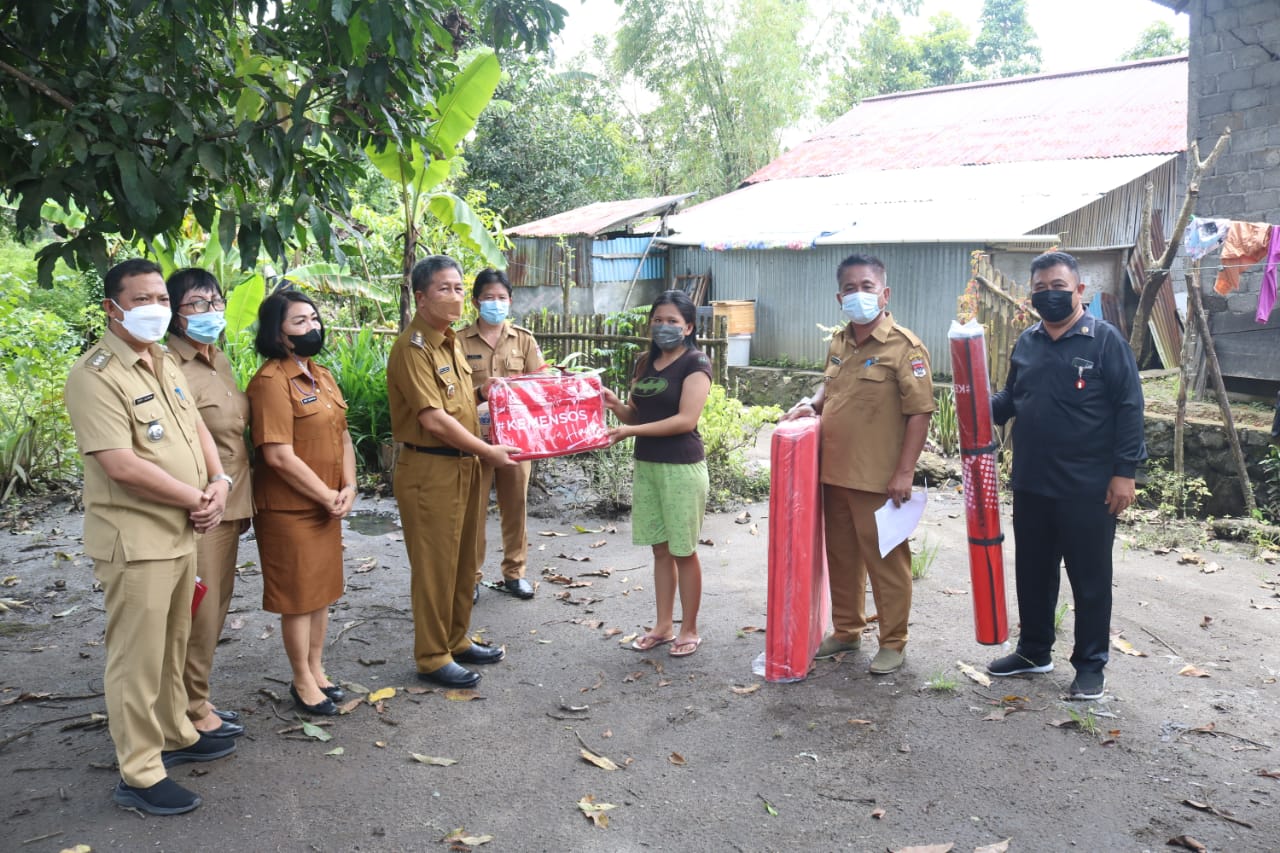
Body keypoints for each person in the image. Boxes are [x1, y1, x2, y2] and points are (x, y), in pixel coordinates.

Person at [65, 258, 236, 815]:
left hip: (180, 532)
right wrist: (196, 499)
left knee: (171, 646)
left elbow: (196, 430)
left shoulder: (162, 361)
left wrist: (218, 481)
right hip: (136, 541)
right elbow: (120, 464)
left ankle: (173, 735)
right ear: (112, 308)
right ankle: (138, 772)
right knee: (136, 659)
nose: (156, 310)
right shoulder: (95, 375)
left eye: (162, 299)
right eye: (142, 301)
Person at [986, 251, 1145, 700]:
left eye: (1058, 287)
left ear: (1080, 291)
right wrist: (973, 400)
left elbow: (1130, 407)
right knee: (1034, 574)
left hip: (1089, 489)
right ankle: (1034, 651)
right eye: (1040, 289)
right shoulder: (1027, 342)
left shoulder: (1105, 341)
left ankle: (1091, 665)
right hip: (1033, 483)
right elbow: (1011, 399)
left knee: (1089, 579)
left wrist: (1125, 474)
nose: (1049, 295)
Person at [781, 253, 934, 675]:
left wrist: (904, 472)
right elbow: (830, 387)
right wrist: (811, 404)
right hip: (832, 475)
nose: (859, 295)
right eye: (850, 288)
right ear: (839, 297)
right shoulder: (839, 342)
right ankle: (847, 630)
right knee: (842, 558)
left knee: (887, 562)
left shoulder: (905, 347)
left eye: (867, 287)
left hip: (879, 479)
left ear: (884, 293)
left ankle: (893, 641)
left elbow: (920, 411)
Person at [386, 255, 521, 688]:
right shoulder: (413, 348)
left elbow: (459, 404)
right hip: (430, 469)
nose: (457, 296)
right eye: (445, 288)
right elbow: (433, 418)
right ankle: (431, 655)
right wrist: (488, 451)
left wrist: (485, 389)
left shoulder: (450, 344)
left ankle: (457, 639)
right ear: (420, 297)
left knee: (465, 559)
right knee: (434, 566)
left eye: (460, 288)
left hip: (464, 468)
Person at [246, 290, 357, 716]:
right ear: (278, 333)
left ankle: (317, 669)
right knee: (298, 597)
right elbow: (277, 455)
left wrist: (348, 485)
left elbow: (342, 435)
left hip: (326, 505)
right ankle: (301, 680)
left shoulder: (322, 375)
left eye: (314, 318)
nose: (313, 327)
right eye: (299, 322)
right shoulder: (271, 383)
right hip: (289, 510)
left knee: (322, 593)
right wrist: (327, 494)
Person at [601, 290, 712, 658]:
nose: (663, 327)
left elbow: (685, 420)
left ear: (689, 327)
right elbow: (636, 416)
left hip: (681, 468)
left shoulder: (696, 364)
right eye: (658, 320)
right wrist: (616, 405)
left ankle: (689, 628)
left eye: (673, 322)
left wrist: (630, 433)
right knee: (660, 550)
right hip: (647, 466)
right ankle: (663, 626)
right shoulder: (644, 362)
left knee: (684, 551)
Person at [165, 268, 251, 740]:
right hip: (199, 507)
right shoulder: (169, 366)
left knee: (214, 609)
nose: (211, 312)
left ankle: (194, 696)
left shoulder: (216, 359)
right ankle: (189, 711)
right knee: (196, 613)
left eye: (216, 301)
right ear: (175, 314)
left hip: (233, 503)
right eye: (197, 304)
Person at [459, 268, 547, 600]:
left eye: (501, 298)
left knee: (516, 507)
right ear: (475, 301)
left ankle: (515, 573)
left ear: (510, 301)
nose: (495, 304)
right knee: (474, 510)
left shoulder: (523, 340)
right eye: (488, 298)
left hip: (516, 441)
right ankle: (471, 577)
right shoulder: (457, 342)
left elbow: (539, 386)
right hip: (475, 442)